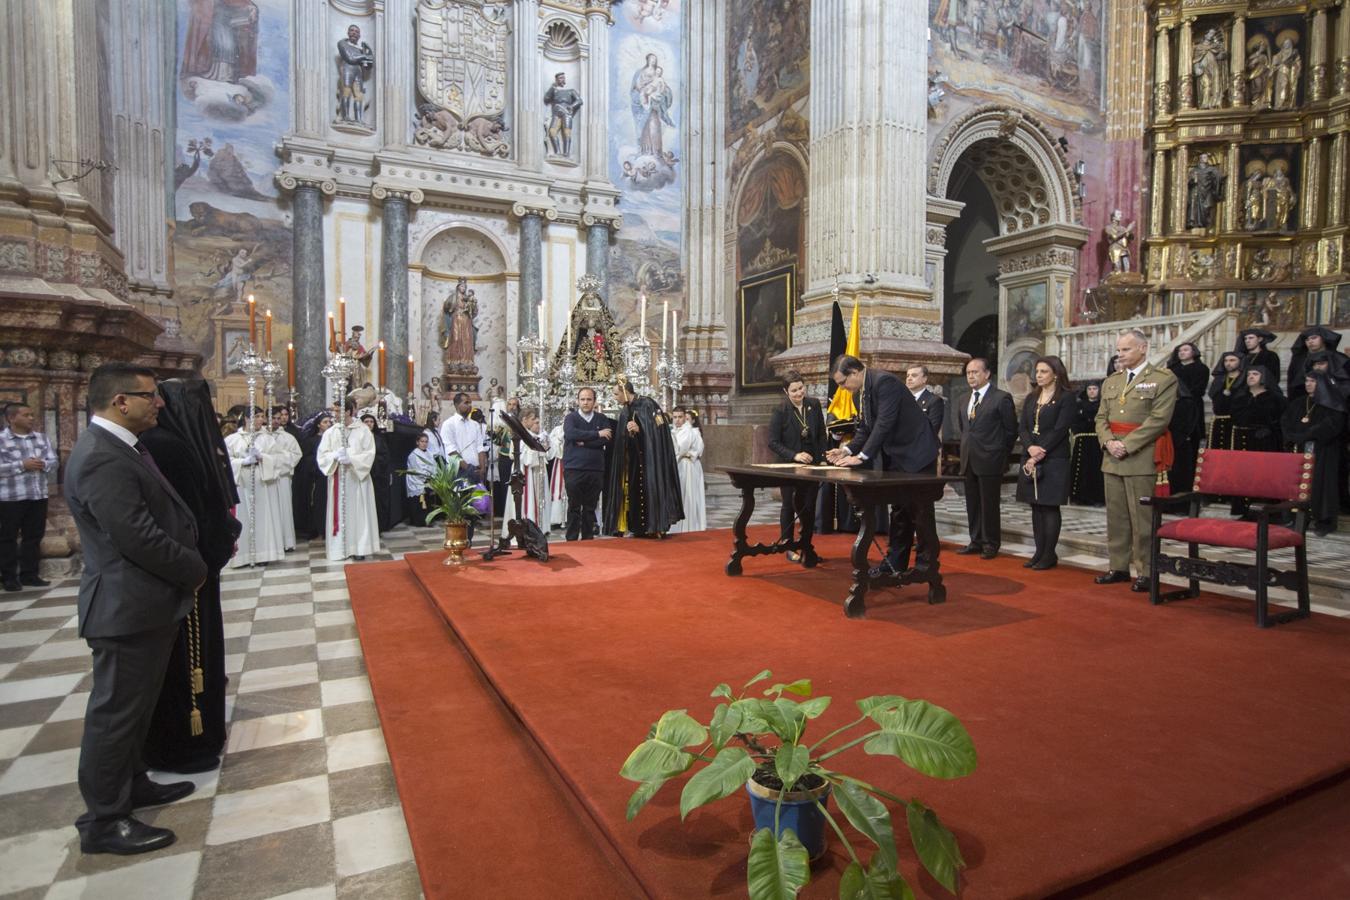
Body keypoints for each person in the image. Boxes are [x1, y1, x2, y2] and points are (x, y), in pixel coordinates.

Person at [64, 363, 206, 855]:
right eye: (150, 396)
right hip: (126, 605)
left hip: (142, 601)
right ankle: (103, 821)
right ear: (120, 401)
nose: (160, 403)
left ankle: (133, 783)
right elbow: (136, 536)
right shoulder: (102, 457)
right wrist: (193, 566)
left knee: (136, 706)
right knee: (115, 715)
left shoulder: (119, 446)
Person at [139, 379, 240, 775]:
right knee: (191, 656)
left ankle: (182, 737)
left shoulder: (158, 442)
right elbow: (192, 515)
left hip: (183, 567)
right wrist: (217, 543)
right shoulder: (170, 446)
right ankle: (189, 742)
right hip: (188, 568)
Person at [825, 355, 941, 578]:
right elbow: (866, 428)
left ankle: (926, 568)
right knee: (899, 511)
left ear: (856, 373)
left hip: (916, 453)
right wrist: (847, 450)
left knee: (921, 512)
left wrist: (863, 456)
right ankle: (894, 564)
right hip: (898, 456)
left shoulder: (884, 382)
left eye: (843, 383)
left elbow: (884, 423)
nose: (843, 388)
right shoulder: (863, 390)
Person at [1093, 329, 1178, 592]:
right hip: (1112, 458)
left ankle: (1147, 571)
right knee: (1116, 518)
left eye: (1126, 349)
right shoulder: (1112, 381)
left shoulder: (1163, 379)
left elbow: (1158, 420)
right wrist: (1109, 442)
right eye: (1119, 350)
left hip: (1140, 457)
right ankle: (1118, 567)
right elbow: (1100, 418)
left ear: (1143, 348)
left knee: (1142, 518)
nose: (1120, 354)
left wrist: (1126, 445)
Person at [603, 376, 684, 537]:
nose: (615, 397)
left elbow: (659, 431)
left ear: (625, 392)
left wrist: (641, 430)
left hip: (649, 460)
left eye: (616, 394)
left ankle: (654, 526)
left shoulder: (647, 404)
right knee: (633, 491)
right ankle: (637, 527)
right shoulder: (626, 409)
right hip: (632, 461)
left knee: (650, 490)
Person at [1017, 357, 1076, 570]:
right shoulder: (1032, 397)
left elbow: (1061, 429)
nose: (1038, 375)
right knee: (1036, 507)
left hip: (1054, 459)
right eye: (1037, 371)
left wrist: (1039, 452)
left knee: (1049, 507)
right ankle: (1038, 552)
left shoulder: (1067, 397)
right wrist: (1030, 449)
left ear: (1056, 374)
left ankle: (1049, 554)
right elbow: (1022, 427)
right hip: (1031, 456)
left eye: (1043, 371)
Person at [956, 357, 1017, 559]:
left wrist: (999, 453)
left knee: (989, 504)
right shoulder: (964, 399)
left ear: (987, 373)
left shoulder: (1001, 398)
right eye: (968, 373)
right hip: (969, 459)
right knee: (972, 503)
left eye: (975, 372)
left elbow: (1010, 431)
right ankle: (975, 540)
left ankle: (990, 543)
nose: (971, 376)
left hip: (991, 459)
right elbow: (965, 429)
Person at [766, 371, 827, 553]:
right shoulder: (780, 410)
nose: (799, 393)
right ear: (786, 392)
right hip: (789, 466)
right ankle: (788, 545)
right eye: (794, 391)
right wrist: (795, 455)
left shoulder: (813, 405)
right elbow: (773, 442)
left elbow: (822, 434)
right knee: (789, 505)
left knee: (809, 506)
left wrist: (822, 458)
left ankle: (806, 545)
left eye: (801, 388)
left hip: (812, 466)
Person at [0, 403, 58, 591]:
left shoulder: (41, 438)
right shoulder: (2, 440)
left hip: (37, 494)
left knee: (33, 536)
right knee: (7, 538)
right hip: (11, 497)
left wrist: (44, 464)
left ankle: (30, 574)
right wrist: (22, 465)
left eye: (32, 414)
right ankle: (9, 577)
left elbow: (53, 461)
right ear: (11, 418)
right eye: (26, 415)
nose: (31, 418)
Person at [317, 400, 380, 561]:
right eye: (335, 410)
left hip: (357, 479)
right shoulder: (331, 432)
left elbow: (369, 454)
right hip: (339, 479)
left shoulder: (363, 430)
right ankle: (339, 549)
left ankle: (359, 548)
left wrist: (350, 458)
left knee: (359, 514)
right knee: (340, 513)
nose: (335, 414)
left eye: (339, 411)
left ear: (349, 411)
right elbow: (322, 456)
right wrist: (335, 456)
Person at [1283, 372, 1345, 536]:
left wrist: (1307, 435)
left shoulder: (1332, 404)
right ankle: (1296, 519)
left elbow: (1331, 426)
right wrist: (1292, 436)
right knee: (1298, 484)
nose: (1308, 384)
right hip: (1299, 450)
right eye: (1307, 380)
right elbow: (1286, 421)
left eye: (1313, 381)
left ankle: (1323, 521)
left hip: (1322, 451)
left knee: (1321, 485)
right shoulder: (1298, 403)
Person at [224, 411, 286, 568]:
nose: (260, 420)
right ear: (246, 418)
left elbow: (280, 459)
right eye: (256, 417)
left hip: (262, 484)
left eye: (261, 417)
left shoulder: (267, 438)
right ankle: (242, 555)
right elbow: (224, 461)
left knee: (262, 518)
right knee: (244, 516)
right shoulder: (232, 439)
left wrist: (263, 458)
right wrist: (242, 461)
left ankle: (263, 553)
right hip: (242, 483)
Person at [562, 387, 613, 541]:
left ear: (594, 401)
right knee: (574, 507)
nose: (585, 402)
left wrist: (583, 442)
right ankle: (571, 540)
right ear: (578, 401)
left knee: (590, 507)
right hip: (574, 468)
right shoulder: (571, 418)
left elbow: (607, 438)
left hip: (595, 469)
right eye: (582, 399)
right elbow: (571, 434)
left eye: (589, 399)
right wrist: (596, 434)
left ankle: (588, 539)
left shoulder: (601, 418)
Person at [440, 392, 488, 541]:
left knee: (473, 510)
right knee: (458, 510)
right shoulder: (449, 424)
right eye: (466, 402)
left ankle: (469, 541)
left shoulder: (475, 425)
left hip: (475, 470)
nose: (469, 405)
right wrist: (468, 468)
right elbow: (451, 450)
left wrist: (482, 467)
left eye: (470, 402)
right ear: (456, 405)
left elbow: (480, 447)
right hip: (459, 471)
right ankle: (456, 542)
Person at [1166, 342, 1208, 493]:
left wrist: (1183, 396)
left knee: (1191, 451)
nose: (1182, 352)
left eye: (1186, 349)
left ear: (1193, 352)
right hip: (1173, 408)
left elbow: (1199, 389)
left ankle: (1190, 490)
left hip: (1193, 407)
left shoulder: (1201, 368)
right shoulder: (1172, 370)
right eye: (1179, 350)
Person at [294, 412, 332, 541]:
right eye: (325, 422)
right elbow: (307, 458)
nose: (328, 424)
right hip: (316, 476)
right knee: (317, 502)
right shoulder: (311, 440)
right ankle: (317, 528)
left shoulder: (333, 438)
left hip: (329, 474)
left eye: (329, 422)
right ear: (318, 425)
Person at [268, 407, 302, 550]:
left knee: (284, 509)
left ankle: (286, 542)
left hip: (282, 478)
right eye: (274, 418)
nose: (276, 421)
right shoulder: (261, 436)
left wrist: (278, 462)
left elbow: (296, 455)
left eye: (278, 418)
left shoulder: (288, 437)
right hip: (267, 478)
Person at [669, 407, 707, 534]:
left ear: (685, 417)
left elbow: (679, 449)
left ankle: (689, 526)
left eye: (680, 417)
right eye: (675, 417)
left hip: (687, 466)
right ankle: (677, 525)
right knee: (680, 495)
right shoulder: (674, 430)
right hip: (679, 465)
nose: (677, 420)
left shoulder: (689, 431)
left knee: (688, 496)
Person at [1287, 325, 1349, 400]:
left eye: (1314, 338)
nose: (1310, 341)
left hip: (1334, 401)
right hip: (1305, 400)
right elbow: (1292, 382)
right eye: (1307, 339)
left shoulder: (1339, 358)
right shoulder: (1299, 360)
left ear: (1323, 338)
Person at [1069, 381, 1105, 505]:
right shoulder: (1079, 405)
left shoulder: (1103, 405)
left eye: (1095, 388)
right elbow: (1074, 422)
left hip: (1097, 442)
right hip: (1082, 442)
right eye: (1089, 388)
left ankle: (1097, 498)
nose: (1092, 391)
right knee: (1081, 469)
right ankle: (1079, 497)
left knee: (1096, 469)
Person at [515, 408, 551, 529]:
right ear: (524, 420)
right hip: (528, 471)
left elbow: (548, 452)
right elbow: (523, 455)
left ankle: (541, 524)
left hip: (538, 470)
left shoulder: (533, 434)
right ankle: (529, 523)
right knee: (529, 500)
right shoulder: (521, 434)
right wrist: (537, 448)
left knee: (540, 497)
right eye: (533, 420)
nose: (536, 422)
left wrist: (544, 443)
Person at [360, 413, 395, 533]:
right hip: (363, 474)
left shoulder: (379, 439)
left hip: (378, 475)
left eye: (371, 422)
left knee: (378, 502)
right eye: (366, 421)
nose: (369, 424)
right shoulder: (359, 438)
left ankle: (379, 527)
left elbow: (385, 456)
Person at [1207, 351, 1248, 450]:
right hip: (1219, 420)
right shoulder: (1219, 379)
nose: (1228, 363)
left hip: (1237, 422)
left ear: (1240, 362)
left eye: (1232, 360)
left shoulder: (1245, 378)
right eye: (1225, 361)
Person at [404, 433, 437, 526]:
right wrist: (428, 477)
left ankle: (427, 519)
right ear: (417, 442)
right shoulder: (414, 454)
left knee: (428, 501)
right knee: (418, 502)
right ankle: (418, 521)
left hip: (428, 480)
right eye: (422, 441)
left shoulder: (429, 453)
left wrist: (434, 476)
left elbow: (434, 466)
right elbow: (419, 469)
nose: (424, 444)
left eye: (426, 442)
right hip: (416, 481)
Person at [906, 365, 946, 441]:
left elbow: (931, 431)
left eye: (914, 375)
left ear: (924, 379)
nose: (909, 379)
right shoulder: (903, 400)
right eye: (908, 376)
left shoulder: (934, 400)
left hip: (921, 448)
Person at [547, 419, 568, 532]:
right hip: (560, 461)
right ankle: (557, 518)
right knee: (557, 490)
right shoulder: (557, 430)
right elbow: (551, 447)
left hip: (572, 461)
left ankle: (568, 518)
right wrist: (559, 440)